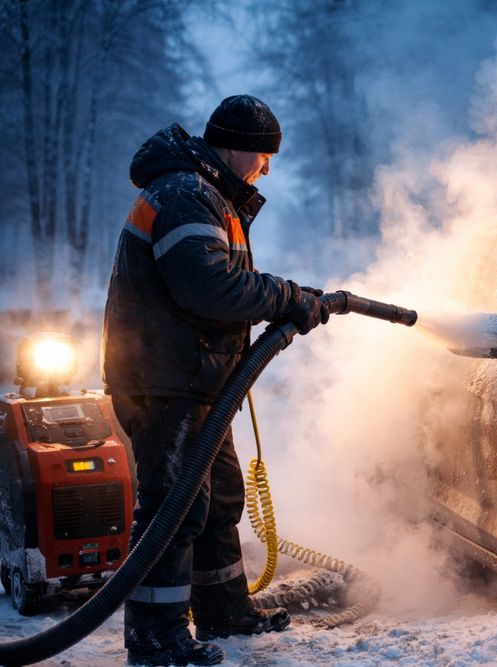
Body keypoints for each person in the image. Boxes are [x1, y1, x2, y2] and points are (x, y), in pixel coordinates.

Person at [102, 95, 329, 666]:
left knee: (221, 495)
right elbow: (208, 287)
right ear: (234, 147)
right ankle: (156, 637)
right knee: (173, 507)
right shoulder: (184, 195)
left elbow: (217, 284)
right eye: (262, 156)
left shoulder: (209, 195)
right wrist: (286, 297)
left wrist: (286, 299)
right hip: (165, 379)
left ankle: (223, 608)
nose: (267, 169)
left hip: (196, 377)